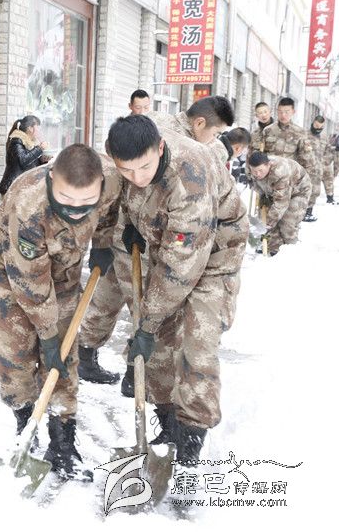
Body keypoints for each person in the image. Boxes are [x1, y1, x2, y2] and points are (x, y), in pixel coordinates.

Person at [106, 115, 247, 466]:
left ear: (160, 148)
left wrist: (147, 323)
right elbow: (121, 207)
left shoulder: (190, 178)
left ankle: (189, 446)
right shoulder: (125, 162)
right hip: (162, 241)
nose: (137, 178)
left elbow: (181, 266)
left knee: (197, 345)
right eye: (127, 171)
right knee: (157, 340)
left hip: (214, 254)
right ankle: (168, 424)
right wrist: (128, 226)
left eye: (144, 168)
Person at [78, 97, 235, 395]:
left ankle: (89, 352)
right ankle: (134, 370)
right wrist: (104, 238)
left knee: (111, 294)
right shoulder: (177, 147)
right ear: (200, 123)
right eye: (214, 134)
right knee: (143, 301)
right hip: (135, 233)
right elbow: (174, 272)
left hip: (140, 229)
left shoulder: (155, 123)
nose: (213, 140)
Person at [0, 144, 121, 479]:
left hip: (65, 275)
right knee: (15, 355)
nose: (76, 209)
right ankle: (24, 427)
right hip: (13, 276)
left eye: (85, 201)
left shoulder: (110, 179)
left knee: (63, 359)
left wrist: (103, 243)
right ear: (51, 181)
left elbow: (112, 209)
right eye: (66, 199)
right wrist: (47, 336)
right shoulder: (29, 207)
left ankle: (62, 444)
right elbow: (31, 284)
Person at [262, 97, 318, 222]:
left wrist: (305, 184)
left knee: (287, 221)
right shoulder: (268, 131)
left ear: (293, 112)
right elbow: (260, 156)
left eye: (286, 112)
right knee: (267, 219)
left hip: (289, 183)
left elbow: (307, 161)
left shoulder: (300, 132)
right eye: (280, 111)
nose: (283, 115)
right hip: (269, 183)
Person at [246, 151, 311, 256]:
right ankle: (274, 247)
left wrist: (267, 223)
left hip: (298, 191)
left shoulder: (280, 172)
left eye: (260, 171)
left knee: (287, 222)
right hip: (273, 191)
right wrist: (263, 197)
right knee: (267, 217)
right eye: (254, 171)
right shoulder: (252, 170)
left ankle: (290, 249)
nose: (257, 174)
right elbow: (256, 184)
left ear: (268, 165)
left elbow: (281, 203)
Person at [0, 115, 49, 195]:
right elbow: (23, 160)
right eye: (38, 127)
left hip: (21, 187)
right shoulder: (16, 141)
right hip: (13, 188)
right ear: (30, 128)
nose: (39, 130)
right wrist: (40, 148)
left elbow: (29, 163)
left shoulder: (29, 143)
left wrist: (42, 161)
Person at [307, 115, 338, 205]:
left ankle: (330, 197)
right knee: (308, 187)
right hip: (308, 165)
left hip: (322, 164)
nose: (318, 129)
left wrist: (325, 161)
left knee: (328, 178)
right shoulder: (305, 135)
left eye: (321, 127)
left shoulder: (324, 137)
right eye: (316, 126)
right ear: (313, 123)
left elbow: (328, 150)